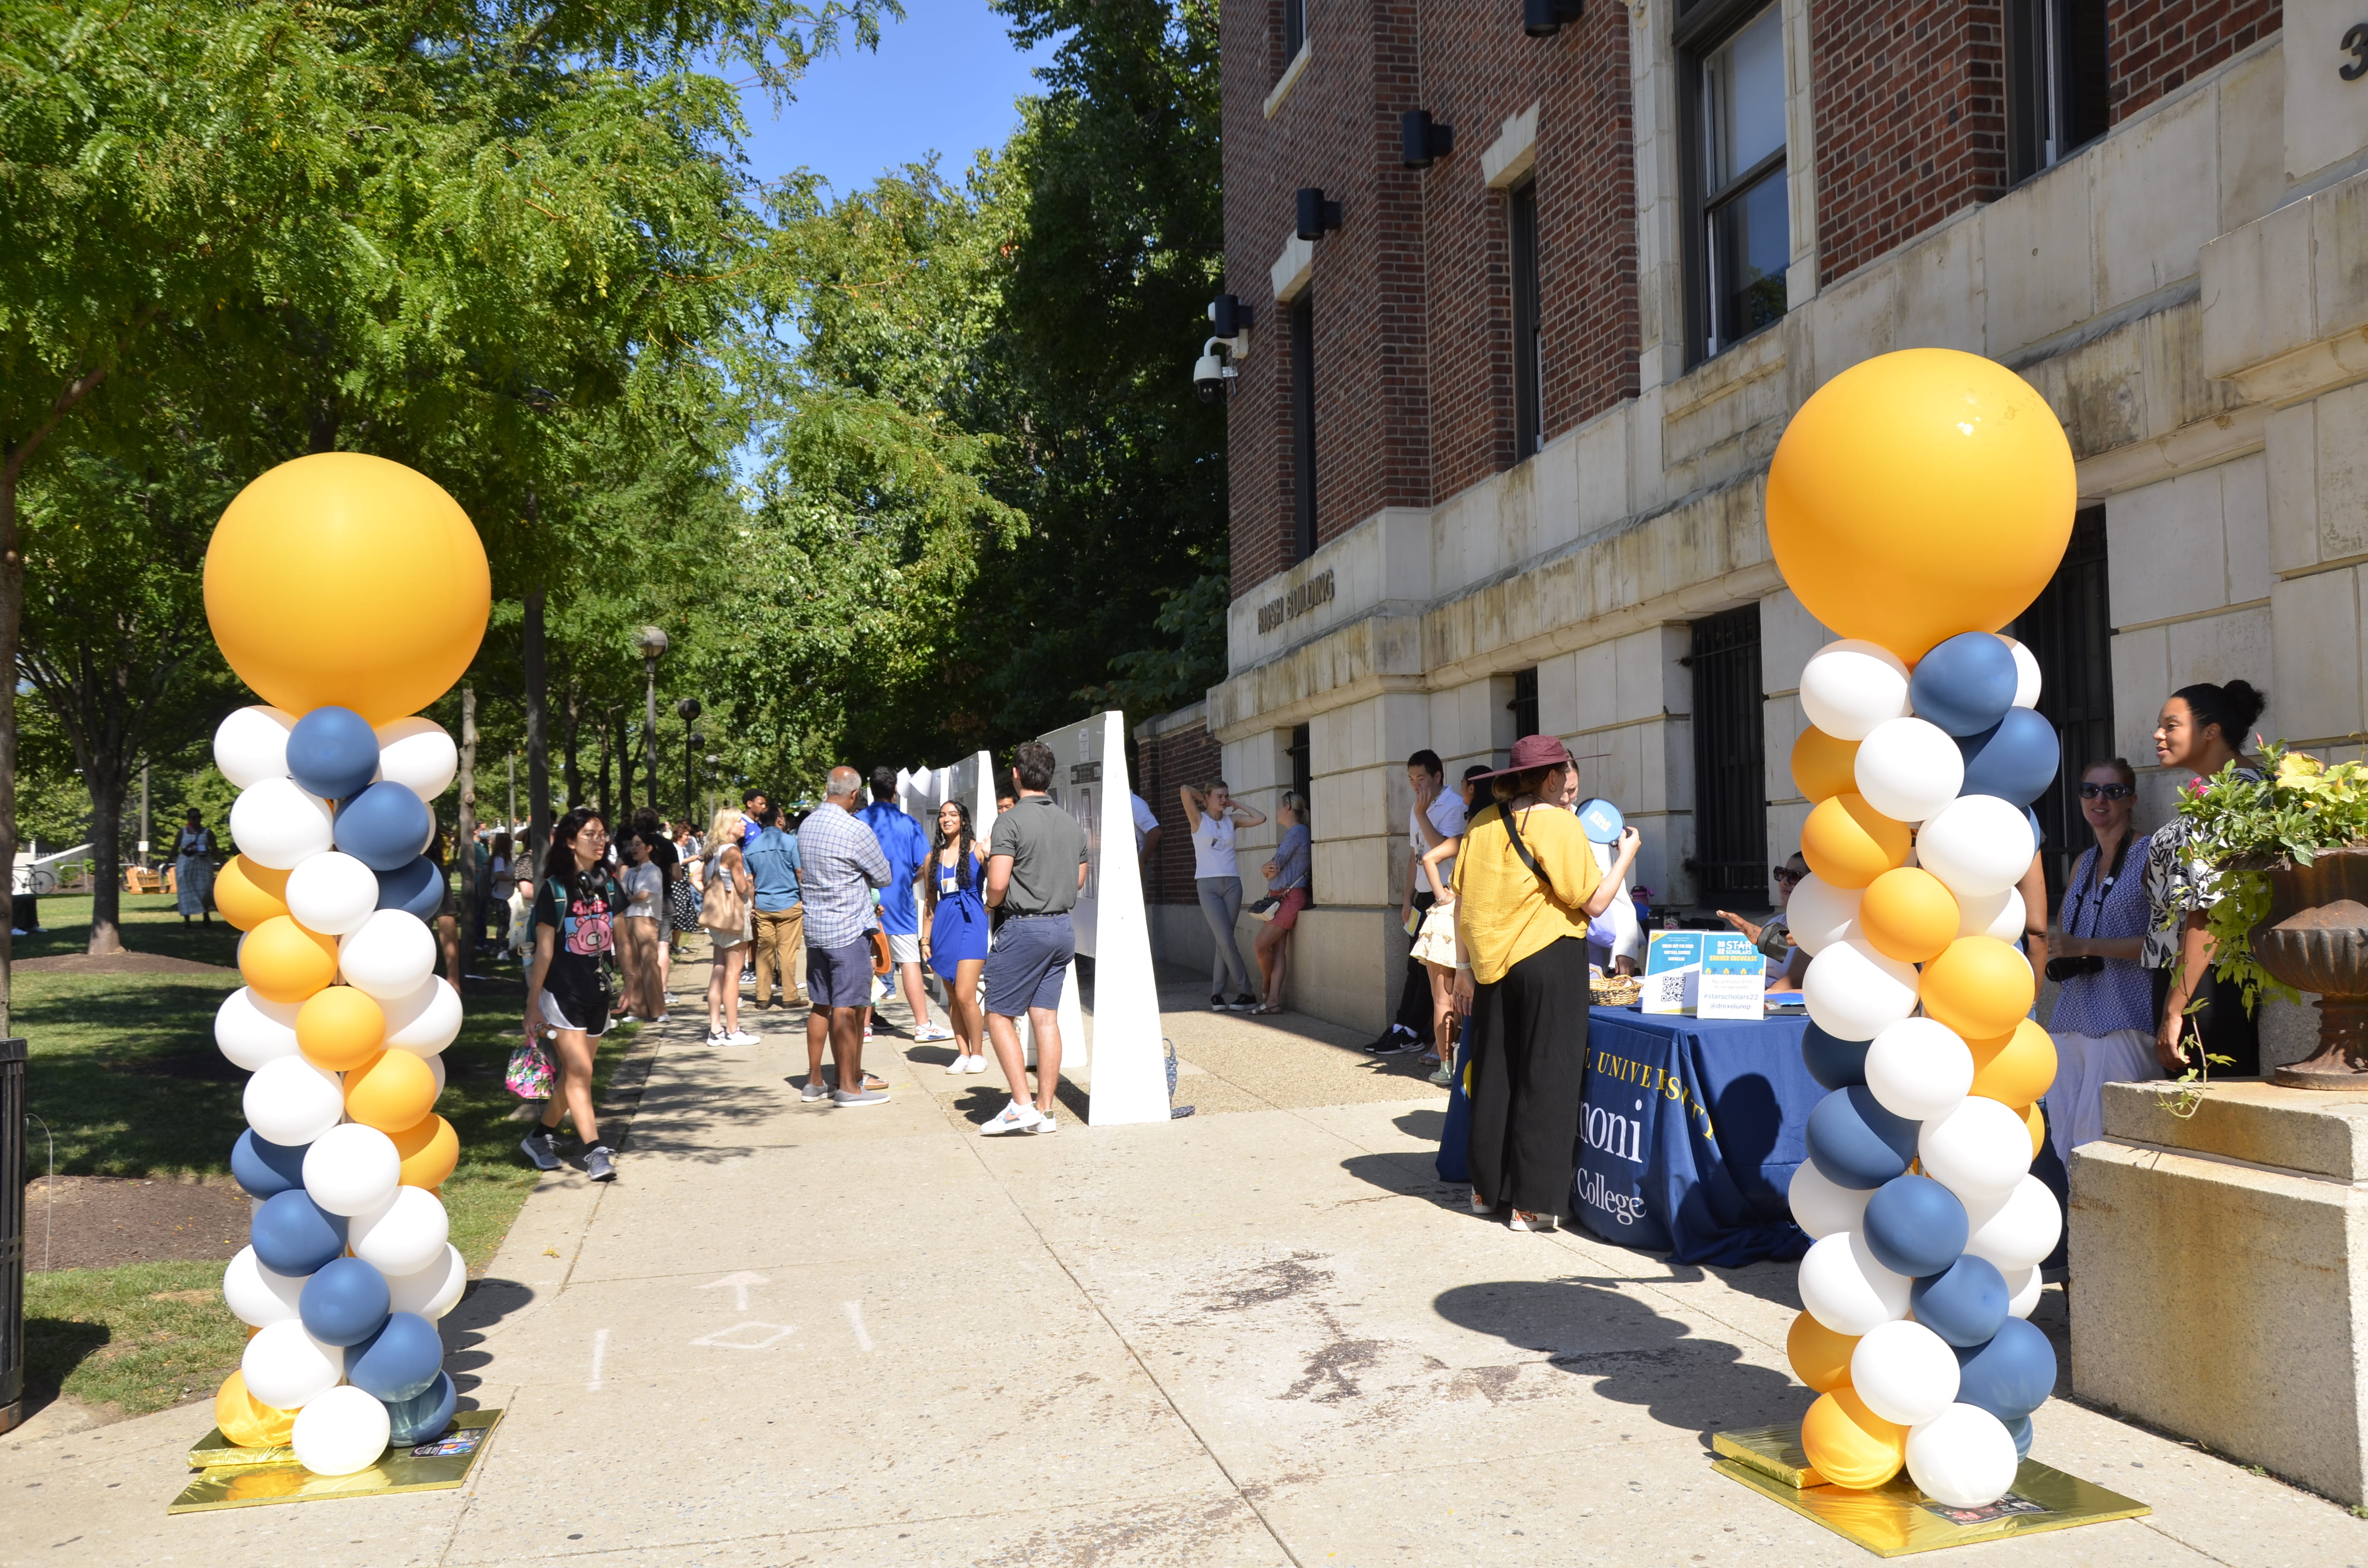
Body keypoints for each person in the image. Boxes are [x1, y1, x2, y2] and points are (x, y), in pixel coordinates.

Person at [1450, 735, 1641, 1232]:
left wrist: (1465, 967)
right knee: (1547, 1078)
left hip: (1492, 965)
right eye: (1561, 777)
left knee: (1494, 1074)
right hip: (1546, 956)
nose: (1566, 789)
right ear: (1551, 776)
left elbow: (1463, 901)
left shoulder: (1481, 824)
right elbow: (1592, 902)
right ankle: (1530, 1205)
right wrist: (1625, 856)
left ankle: (1483, 1190)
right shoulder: (1555, 823)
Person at [2144, 679, 2270, 1078]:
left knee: (2203, 1107)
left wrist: (2174, 1008)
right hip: (2198, 973)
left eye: (2171, 725)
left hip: (2206, 979)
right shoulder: (2239, 786)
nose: (2158, 735)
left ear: (2211, 731)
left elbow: (2209, 908)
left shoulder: (2232, 797)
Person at [2042, 759, 2161, 1163]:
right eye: (2090, 790)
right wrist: (2073, 949)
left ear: (2131, 800)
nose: (2099, 799)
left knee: (2109, 1142)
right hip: (2072, 1017)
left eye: (2112, 792)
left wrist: (2087, 947)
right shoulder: (2083, 862)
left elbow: (2164, 943)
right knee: (2066, 1141)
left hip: (2124, 1017)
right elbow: (2071, 935)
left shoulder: (2149, 855)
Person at [979, 741, 1091, 1135]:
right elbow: (1077, 880)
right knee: (1046, 1020)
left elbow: (997, 885)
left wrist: (990, 899)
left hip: (1024, 927)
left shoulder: (1008, 822)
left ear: (1015, 774)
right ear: (1051, 776)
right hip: (1062, 928)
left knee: (997, 1015)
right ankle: (1044, 1110)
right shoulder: (1071, 822)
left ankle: (1022, 1105)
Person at [520, 807, 622, 1182]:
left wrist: (633, 982)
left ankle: (539, 1137)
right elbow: (544, 951)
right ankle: (595, 1151)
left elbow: (618, 935)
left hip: (598, 992)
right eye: (591, 835)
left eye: (603, 834)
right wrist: (533, 1005)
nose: (601, 841)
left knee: (575, 1077)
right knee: (580, 1071)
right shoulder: (555, 889)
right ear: (569, 841)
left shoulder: (607, 882)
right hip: (561, 994)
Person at [799, 767, 894, 1106]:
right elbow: (884, 876)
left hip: (815, 929)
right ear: (854, 795)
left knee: (820, 1003)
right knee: (848, 1006)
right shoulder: (856, 829)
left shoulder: (806, 825)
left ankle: (814, 1082)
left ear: (828, 788)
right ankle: (848, 1088)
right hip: (848, 928)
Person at [1373, 750, 1468, 1054]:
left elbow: (1445, 848)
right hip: (1423, 896)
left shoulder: (1452, 805)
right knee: (1413, 965)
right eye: (1411, 779)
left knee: (1431, 968)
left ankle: (1415, 1031)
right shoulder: (1418, 806)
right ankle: (1402, 1025)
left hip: (1446, 896)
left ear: (1438, 777)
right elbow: (1415, 855)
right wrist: (1407, 897)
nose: (1416, 785)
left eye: (1421, 779)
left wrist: (1421, 815)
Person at [1414, 764, 1493, 1083]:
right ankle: (1468, 1063)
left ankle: (1446, 1066)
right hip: (1482, 918)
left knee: (1443, 998)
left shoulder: (1467, 835)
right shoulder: (1494, 832)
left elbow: (1429, 856)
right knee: (1474, 997)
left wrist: (1442, 895)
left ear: (1471, 790)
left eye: (1463, 786)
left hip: (1449, 918)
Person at [859, 766, 946, 1041]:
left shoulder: (858, 821)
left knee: (866, 963)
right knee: (909, 963)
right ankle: (922, 1025)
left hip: (862, 902)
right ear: (895, 789)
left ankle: (864, 1027)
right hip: (899, 903)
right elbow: (925, 863)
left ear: (871, 790)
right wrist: (908, 878)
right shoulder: (909, 824)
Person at [1181, 779, 1265, 1011]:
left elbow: (1261, 818)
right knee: (1226, 940)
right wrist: (1204, 799)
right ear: (1208, 798)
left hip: (1232, 885)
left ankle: (1217, 995)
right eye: (1219, 796)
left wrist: (1236, 804)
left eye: (1226, 796)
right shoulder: (1199, 819)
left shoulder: (1232, 820)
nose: (1224, 800)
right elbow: (1185, 790)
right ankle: (1246, 991)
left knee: (1224, 940)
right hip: (1208, 885)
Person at [922, 798, 991, 1074]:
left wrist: (992, 852)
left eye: (952, 814)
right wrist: (925, 940)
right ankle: (963, 1054)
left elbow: (1001, 882)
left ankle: (978, 1054)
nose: (947, 819)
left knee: (965, 994)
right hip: (943, 928)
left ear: (963, 819)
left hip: (972, 924)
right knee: (952, 995)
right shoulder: (932, 858)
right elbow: (929, 903)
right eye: (942, 815)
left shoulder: (977, 851)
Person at [1250, 792, 1312, 1014]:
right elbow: (1272, 869)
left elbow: (1275, 867)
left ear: (1287, 809)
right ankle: (1273, 1001)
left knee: (1260, 945)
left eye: (1279, 806)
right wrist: (1265, 869)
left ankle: (1266, 990)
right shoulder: (1296, 832)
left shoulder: (1297, 832)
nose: (1277, 810)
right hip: (1281, 897)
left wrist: (1265, 869)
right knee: (1277, 950)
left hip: (1288, 898)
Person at [703, 808, 759, 1047]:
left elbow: (698, 880)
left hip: (717, 918)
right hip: (734, 916)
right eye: (739, 822)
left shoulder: (711, 851)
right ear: (728, 826)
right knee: (733, 973)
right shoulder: (733, 851)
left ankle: (715, 1028)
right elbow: (742, 887)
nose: (744, 825)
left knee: (719, 969)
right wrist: (749, 881)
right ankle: (733, 1030)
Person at [744, 802, 806, 1010]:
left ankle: (763, 997)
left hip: (763, 905)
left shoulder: (751, 848)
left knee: (764, 951)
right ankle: (790, 996)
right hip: (789, 904)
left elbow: (750, 882)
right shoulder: (791, 842)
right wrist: (804, 898)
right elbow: (800, 873)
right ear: (780, 820)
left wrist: (753, 905)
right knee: (787, 952)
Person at [1719, 853, 1811, 991]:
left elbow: (1794, 982)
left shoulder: (1818, 929)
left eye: (1794, 876)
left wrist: (1752, 1000)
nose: (1784, 881)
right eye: (1782, 873)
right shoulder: (1776, 922)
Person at [631, 808, 679, 1015]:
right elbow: (677, 874)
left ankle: (641, 997)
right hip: (664, 897)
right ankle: (663, 989)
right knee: (663, 944)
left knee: (639, 949)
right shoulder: (667, 845)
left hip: (638, 905)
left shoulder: (630, 847)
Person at [614, 830, 665, 1021]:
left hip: (646, 918)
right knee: (633, 965)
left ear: (649, 848)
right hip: (629, 918)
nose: (634, 848)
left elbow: (643, 896)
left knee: (650, 963)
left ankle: (660, 1010)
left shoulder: (654, 870)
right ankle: (637, 1009)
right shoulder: (631, 872)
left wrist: (628, 899)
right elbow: (622, 892)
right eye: (632, 845)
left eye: (638, 845)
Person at [173, 810, 217, 923]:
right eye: (194, 818)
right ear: (189, 819)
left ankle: (206, 916)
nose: (197, 820)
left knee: (204, 889)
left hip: (202, 864)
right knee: (185, 889)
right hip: (186, 864)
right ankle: (187, 920)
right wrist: (169, 862)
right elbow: (174, 848)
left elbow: (215, 849)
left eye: (199, 817)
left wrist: (222, 862)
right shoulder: (182, 832)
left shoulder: (207, 832)